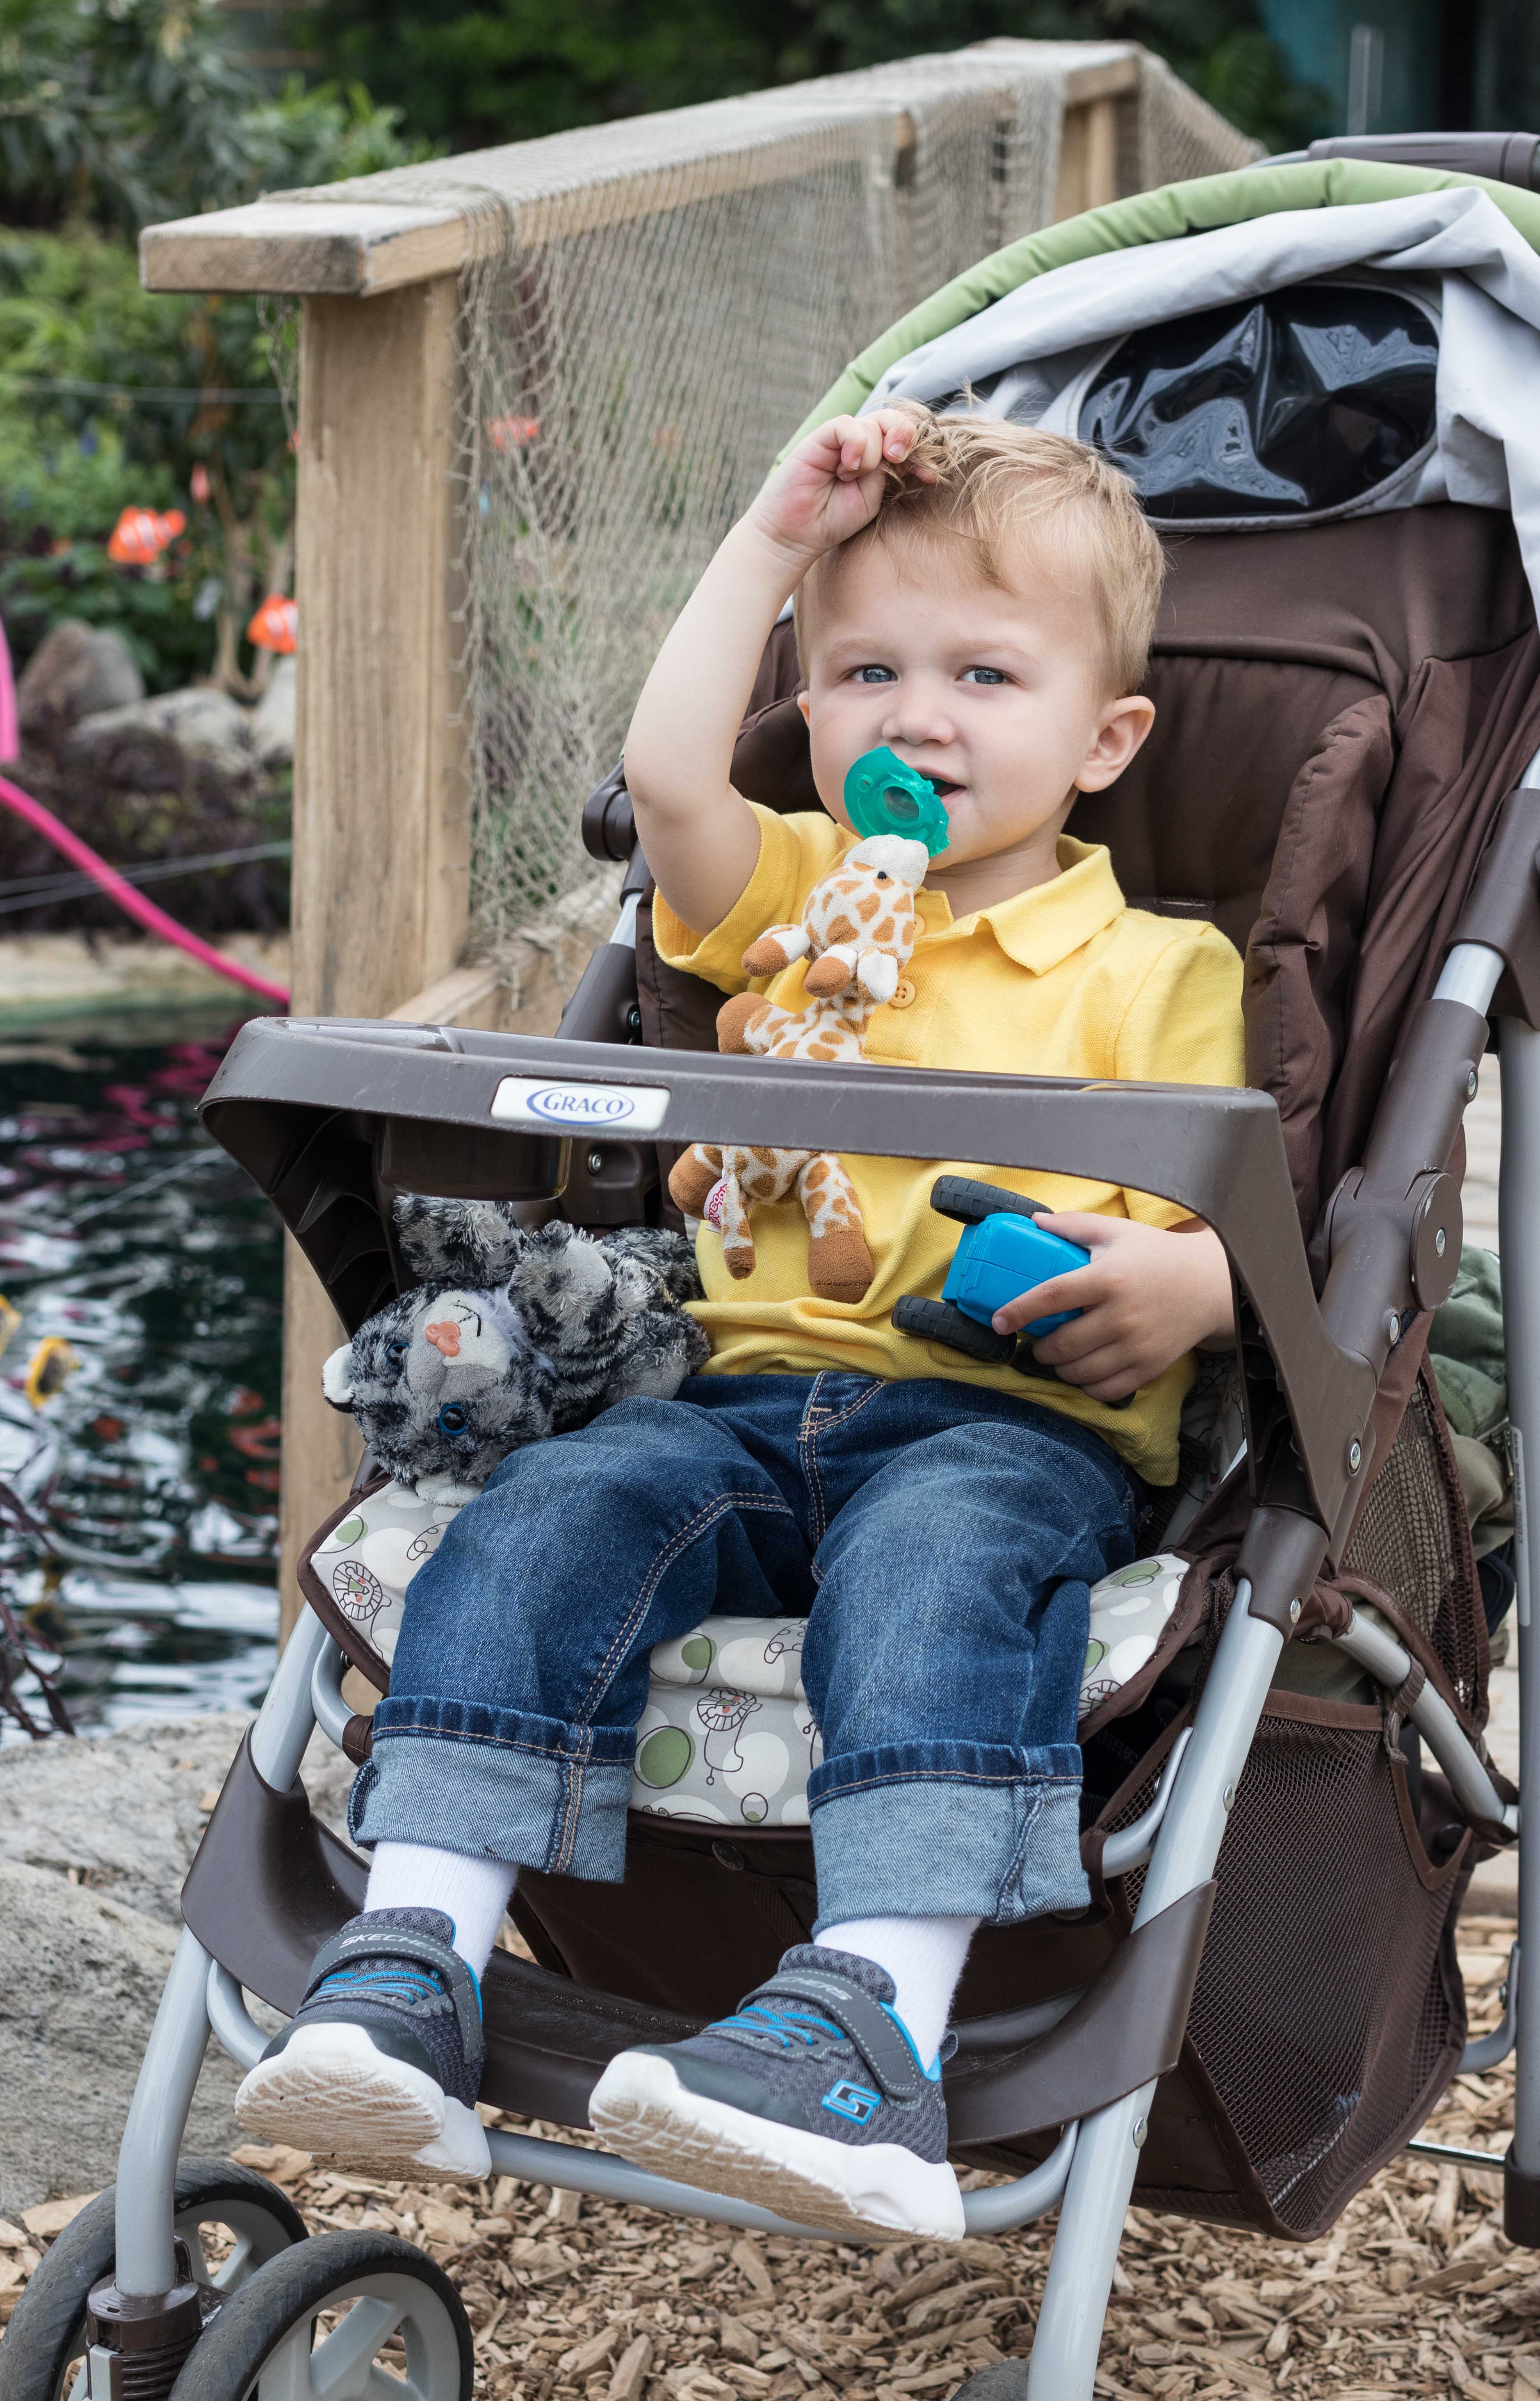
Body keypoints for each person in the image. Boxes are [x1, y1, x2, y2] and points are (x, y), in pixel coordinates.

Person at [237, 403, 1244, 2240]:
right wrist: (777, 532)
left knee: (938, 1560)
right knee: (554, 1508)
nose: (914, 716)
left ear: (1104, 741)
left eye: (980, 674)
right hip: (743, 1394)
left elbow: (1198, 1214)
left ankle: (869, 2020)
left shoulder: (1151, 968)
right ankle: (413, 1953)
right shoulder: (788, 902)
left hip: (1001, 1421)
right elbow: (667, 778)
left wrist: (1190, 1280)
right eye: (863, 670)